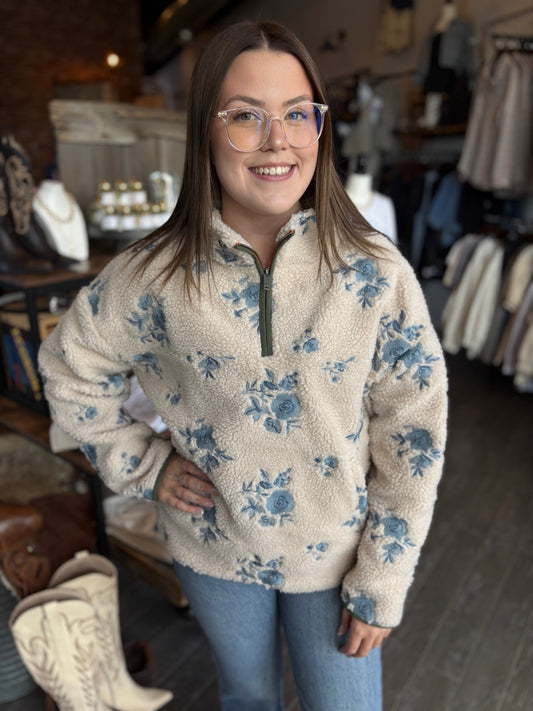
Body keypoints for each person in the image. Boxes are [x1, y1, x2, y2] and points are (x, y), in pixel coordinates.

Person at [39, 20, 448, 711]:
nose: (276, 140)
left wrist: (384, 576)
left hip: (337, 552)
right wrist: (144, 464)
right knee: (248, 696)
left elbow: (413, 432)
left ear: (320, 127)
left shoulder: (373, 272)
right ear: (205, 128)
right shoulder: (151, 275)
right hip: (213, 546)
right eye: (245, 116)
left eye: (297, 113)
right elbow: (69, 366)